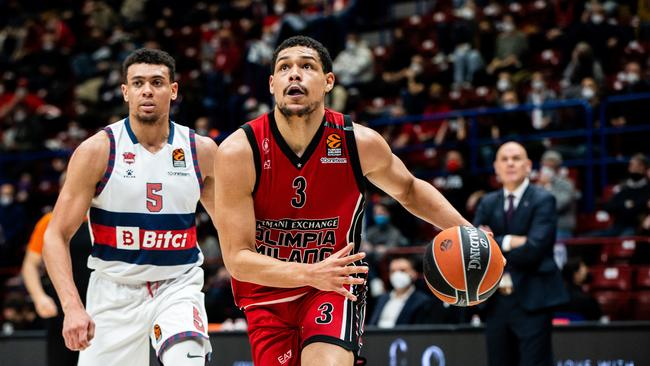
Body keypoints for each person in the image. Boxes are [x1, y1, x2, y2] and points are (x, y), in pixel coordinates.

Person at [213, 36, 473, 366]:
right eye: (284, 68)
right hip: (268, 292)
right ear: (271, 83)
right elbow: (237, 259)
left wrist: (468, 231)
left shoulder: (358, 143)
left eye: (307, 66)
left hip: (334, 284)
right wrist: (309, 272)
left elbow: (408, 189)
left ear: (328, 82)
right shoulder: (239, 151)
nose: (295, 74)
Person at [42, 48, 218, 366]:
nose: (147, 90)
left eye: (157, 82)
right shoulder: (97, 150)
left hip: (177, 285)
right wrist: (72, 307)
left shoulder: (200, 150)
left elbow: (232, 228)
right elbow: (55, 236)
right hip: (113, 290)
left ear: (173, 90)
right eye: (138, 83)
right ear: (126, 92)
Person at [474, 141, 568, 366]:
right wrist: (512, 241)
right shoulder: (487, 202)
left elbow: (535, 248)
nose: (510, 163)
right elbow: (475, 248)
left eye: (516, 158)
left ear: (528, 166)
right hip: (495, 301)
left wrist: (495, 243)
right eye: (504, 159)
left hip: (533, 298)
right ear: (496, 167)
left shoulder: (543, 199)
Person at [22, 203, 91, 366]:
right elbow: (30, 265)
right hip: (63, 304)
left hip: (100, 301)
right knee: (61, 359)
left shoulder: (103, 219)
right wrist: (39, 297)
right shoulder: (50, 220)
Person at [368, 256, 437, 328]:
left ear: (413, 273)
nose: (397, 275)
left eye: (402, 270)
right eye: (393, 271)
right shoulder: (381, 298)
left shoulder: (422, 301)